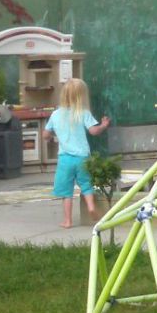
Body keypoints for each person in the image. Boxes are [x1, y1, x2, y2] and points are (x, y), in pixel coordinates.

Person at [43, 78, 111, 228]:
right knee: (86, 185)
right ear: (82, 96)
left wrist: (51, 136)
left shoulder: (55, 114)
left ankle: (67, 221)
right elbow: (94, 131)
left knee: (66, 192)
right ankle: (91, 207)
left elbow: (45, 135)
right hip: (82, 158)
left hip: (65, 159)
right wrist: (103, 125)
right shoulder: (83, 113)